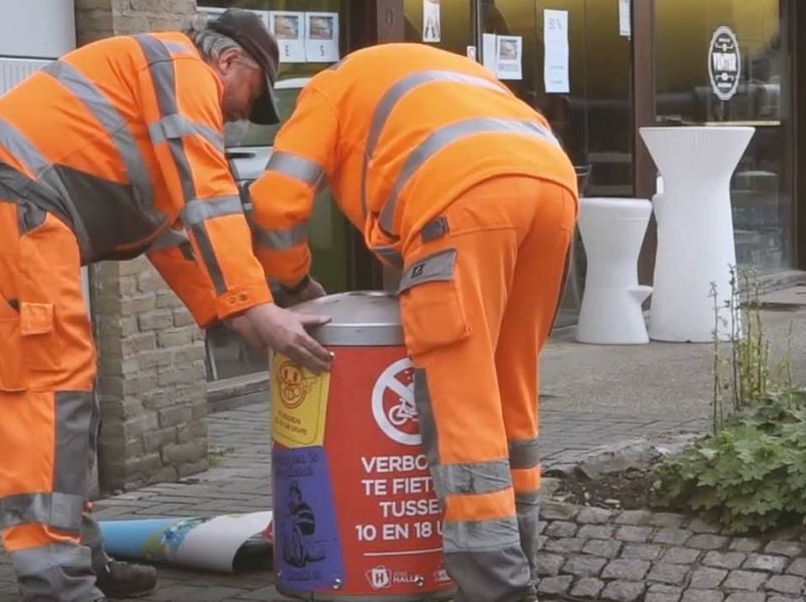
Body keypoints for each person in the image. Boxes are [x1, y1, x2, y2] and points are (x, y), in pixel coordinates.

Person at [0, 9, 333, 602]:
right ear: (228, 62)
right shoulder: (180, 70)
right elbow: (208, 200)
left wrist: (241, 315)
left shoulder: (152, 94)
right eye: (253, 95)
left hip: (8, 211)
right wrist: (255, 306)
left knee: (64, 394)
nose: (245, 113)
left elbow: (174, 235)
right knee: (48, 396)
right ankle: (56, 580)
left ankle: (81, 556)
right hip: (9, 210)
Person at [248, 43, 579, 602]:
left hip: (459, 203)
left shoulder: (328, 88)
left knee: (462, 401)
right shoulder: (446, 72)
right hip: (553, 189)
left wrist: (295, 285)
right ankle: (523, 558)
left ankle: (500, 589)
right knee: (510, 390)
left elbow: (276, 201)